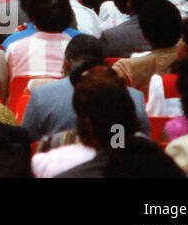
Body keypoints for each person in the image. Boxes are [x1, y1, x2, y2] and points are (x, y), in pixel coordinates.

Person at [20, 34, 151, 144]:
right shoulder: (135, 97)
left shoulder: (41, 96)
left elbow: (27, 144)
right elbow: (142, 143)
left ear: (66, 64)